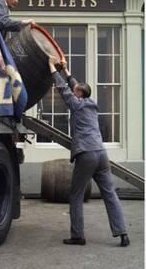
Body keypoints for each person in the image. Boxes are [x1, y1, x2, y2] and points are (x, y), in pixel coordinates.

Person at [48, 55, 130, 247]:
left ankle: (78, 236)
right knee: (109, 193)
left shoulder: (76, 104)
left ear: (78, 95)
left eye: (74, 91)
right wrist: (66, 70)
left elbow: (62, 88)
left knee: (76, 194)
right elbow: (75, 85)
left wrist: (52, 67)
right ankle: (122, 233)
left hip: (86, 154)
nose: (72, 90)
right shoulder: (90, 103)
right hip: (101, 154)